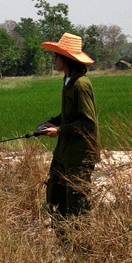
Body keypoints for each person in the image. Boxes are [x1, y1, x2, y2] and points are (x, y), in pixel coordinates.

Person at [37, 33, 100, 235]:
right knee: (55, 197)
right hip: (64, 153)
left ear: (67, 59)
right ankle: (63, 244)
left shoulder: (81, 84)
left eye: (56, 56)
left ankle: (82, 247)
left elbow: (88, 122)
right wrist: (53, 122)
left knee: (77, 206)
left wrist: (60, 130)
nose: (54, 59)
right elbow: (70, 114)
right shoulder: (68, 80)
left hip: (79, 156)